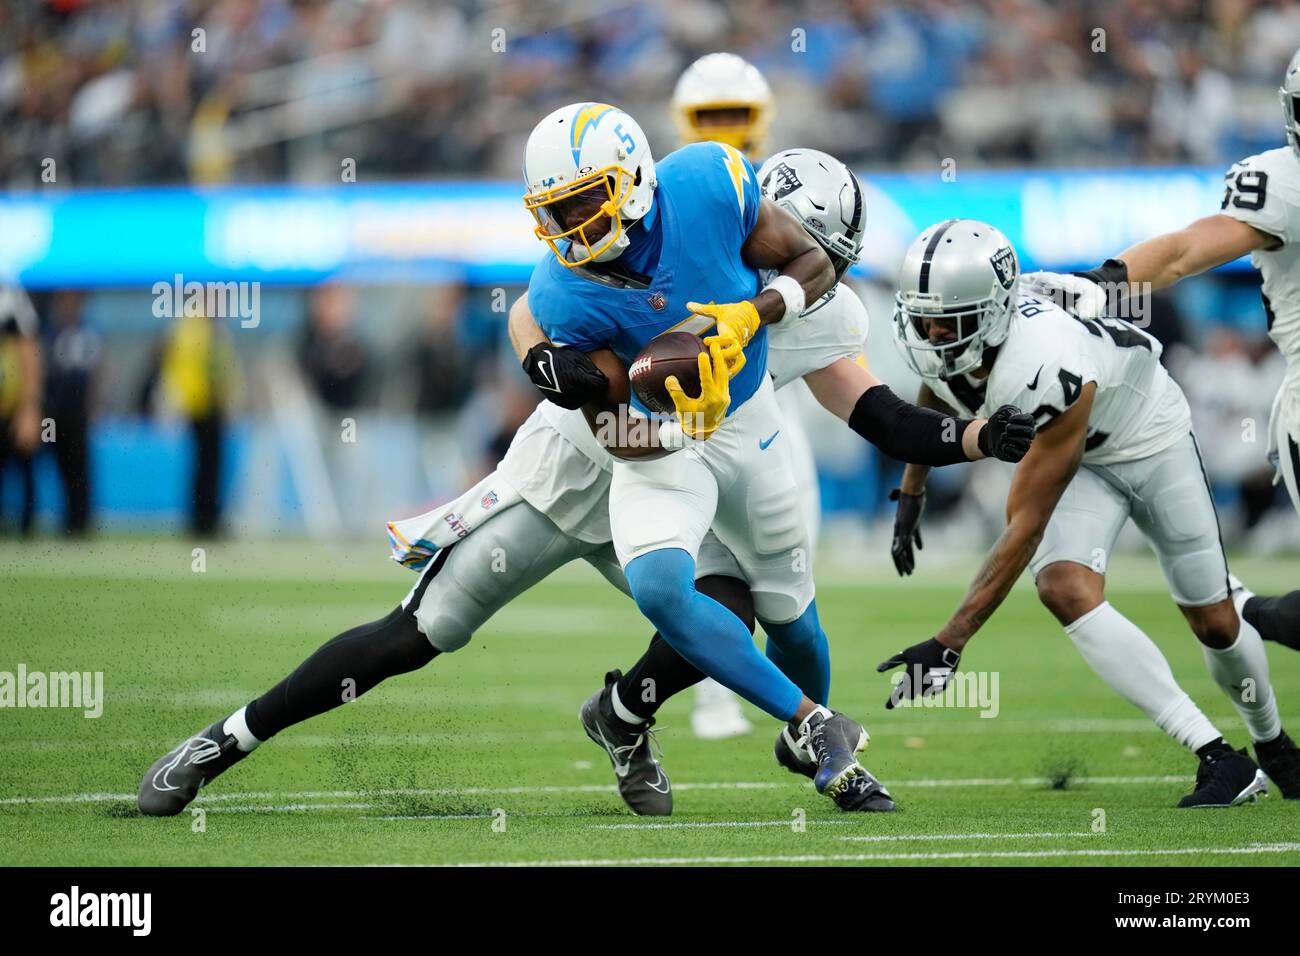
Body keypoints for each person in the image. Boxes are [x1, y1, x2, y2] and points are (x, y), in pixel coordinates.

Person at [135, 145, 1031, 819]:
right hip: (583, 464)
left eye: (820, 255)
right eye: (557, 207)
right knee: (420, 632)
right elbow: (580, 371)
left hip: (675, 462)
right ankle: (226, 739)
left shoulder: (766, 259)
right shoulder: (608, 267)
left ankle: (626, 713)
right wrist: (591, 370)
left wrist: (977, 432)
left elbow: (865, 384)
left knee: (724, 603)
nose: (573, 225)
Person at [885, 218, 1300, 807]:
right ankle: (1219, 757)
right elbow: (941, 388)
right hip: (1081, 448)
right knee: (1063, 586)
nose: (931, 333)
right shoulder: (971, 331)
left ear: (992, 315)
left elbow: (1023, 527)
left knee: (1214, 621)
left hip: (1149, 435)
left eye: (946, 322)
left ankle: (1275, 745)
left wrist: (950, 641)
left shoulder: (1043, 365)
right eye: (923, 316)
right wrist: (913, 490)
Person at [0, 285, 42, 536]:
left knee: (24, 468)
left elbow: (29, 351)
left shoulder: (10, 295)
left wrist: (30, 407)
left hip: (12, 407)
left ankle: (27, 530)